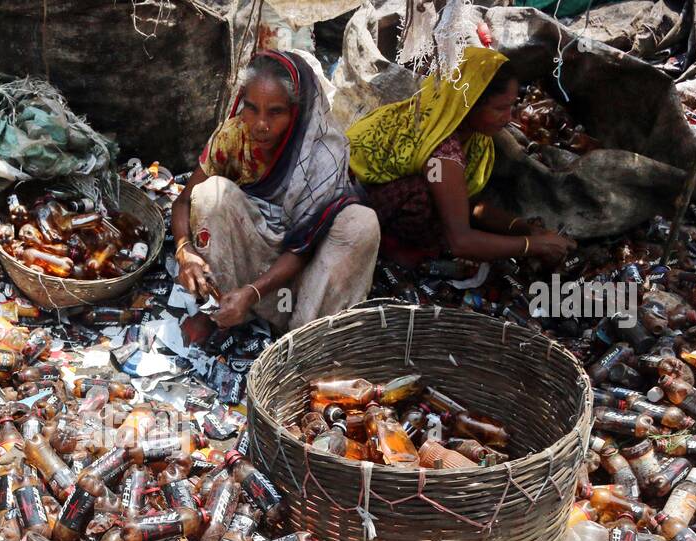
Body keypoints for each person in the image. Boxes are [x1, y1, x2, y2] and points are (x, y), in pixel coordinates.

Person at [171, 50, 380, 332]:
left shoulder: (323, 153)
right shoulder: (234, 136)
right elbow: (183, 202)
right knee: (211, 194)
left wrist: (253, 293)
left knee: (361, 223)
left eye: (276, 112)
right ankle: (222, 310)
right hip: (254, 261)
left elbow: (301, 249)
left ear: (297, 111)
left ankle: (305, 334)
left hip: (308, 274)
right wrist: (185, 252)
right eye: (252, 107)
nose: (260, 124)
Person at [347, 47, 576, 268]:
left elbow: (468, 205)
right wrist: (532, 246)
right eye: (499, 109)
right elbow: (461, 241)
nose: (508, 118)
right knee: (423, 197)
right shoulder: (442, 150)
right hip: (352, 207)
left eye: (511, 106)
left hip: (375, 196)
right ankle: (391, 249)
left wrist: (524, 229)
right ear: (468, 104)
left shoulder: (464, 132)